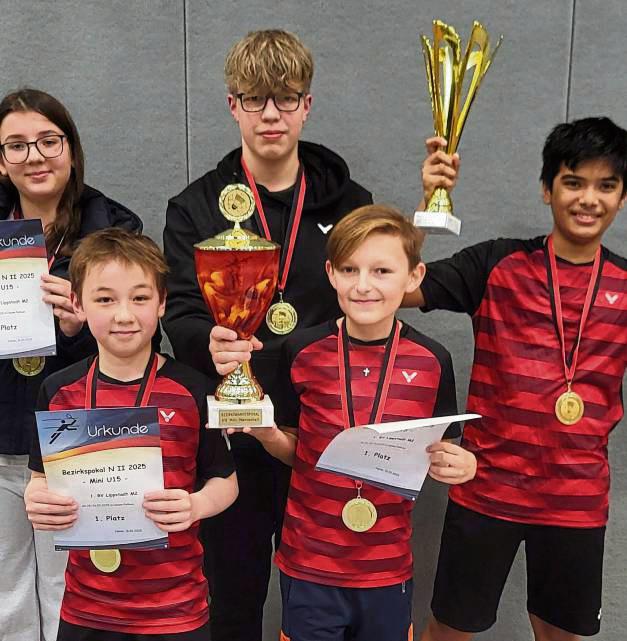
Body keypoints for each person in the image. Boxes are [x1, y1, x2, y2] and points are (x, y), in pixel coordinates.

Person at [162, 29, 371, 641]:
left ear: (307, 104)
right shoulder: (196, 206)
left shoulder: (350, 204)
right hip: (230, 429)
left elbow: (368, 300)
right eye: (255, 99)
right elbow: (178, 309)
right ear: (233, 106)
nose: (271, 114)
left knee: (327, 592)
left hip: (320, 424)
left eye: (286, 98)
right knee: (233, 594)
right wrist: (209, 343)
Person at [412, 117, 627, 641]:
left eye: (607, 185)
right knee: (450, 630)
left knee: (558, 634)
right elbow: (394, 286)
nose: (588, 199)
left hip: (575, 501)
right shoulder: (498, 264)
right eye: (574, 182)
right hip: (485, 489)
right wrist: (428, 203)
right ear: (546, 189)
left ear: (622, 197)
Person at [234, 205, 477, 641]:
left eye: (382, 271)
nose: (363, 285)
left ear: (414, 277)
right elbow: (297, 450)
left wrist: (462, 467)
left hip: (386, 569)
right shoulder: (301, 351)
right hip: (309, 564)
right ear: (331, 273)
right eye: (350, 269)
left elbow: (444, 456)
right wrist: (267, 433)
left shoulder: (433, 360)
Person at [24, 228, 239, 640]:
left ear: (161, 303)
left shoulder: (191, 389)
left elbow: (225, 481)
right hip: (87, 609)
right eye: (105, 299)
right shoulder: (59, 391)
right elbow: (38, 481)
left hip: (175, 609)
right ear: (77, 303)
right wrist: (38, 502)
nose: (124, 315)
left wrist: (195, 505)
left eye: (140, 298)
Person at [0, 88, 143, 641]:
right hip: (3, 434)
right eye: (17, 145)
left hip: (83, 433)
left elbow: (140, 338)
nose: (35, 156)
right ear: (1, 161)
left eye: (48, 141)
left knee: (73, 584)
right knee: (7, 592)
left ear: (72, 150)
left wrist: (82, 327)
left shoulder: (116, 230)